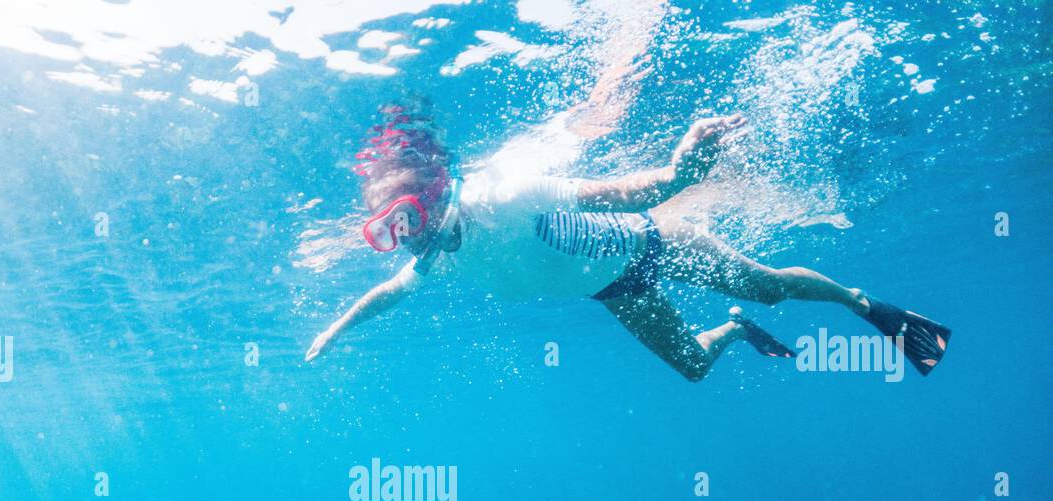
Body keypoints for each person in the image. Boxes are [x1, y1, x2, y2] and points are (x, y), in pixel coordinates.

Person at [304, 106, 950, 380]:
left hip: (651, 243)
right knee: (696, 368)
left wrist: (677, 175)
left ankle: (864, 306)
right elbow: (388, 296)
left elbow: (606, 193)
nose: (404, 241)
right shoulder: (439, 260)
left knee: (772, 287)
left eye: (407, 218)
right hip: (614, 291)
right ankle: (733, 330)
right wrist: (335, 330)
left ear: (437, 192)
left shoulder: (503, 197)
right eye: (389, 232)